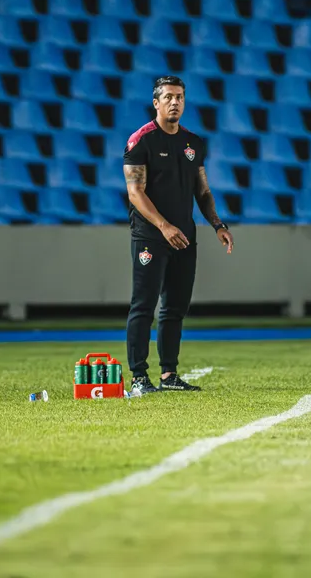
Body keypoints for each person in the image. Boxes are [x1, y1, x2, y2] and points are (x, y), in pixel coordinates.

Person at [122, 76, 234, 394]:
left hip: (184, 236)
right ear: (155, 103)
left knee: (175, 307)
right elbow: (135, 192)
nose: (175, 102)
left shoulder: (193, 143)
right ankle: (139, 378)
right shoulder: (140, 141)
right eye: (169, 97)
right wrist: (163, 226)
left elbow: (203, 191)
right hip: (151, 236)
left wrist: (218, 225)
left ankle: (169, 376)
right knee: (143, 305)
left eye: (180, 97)